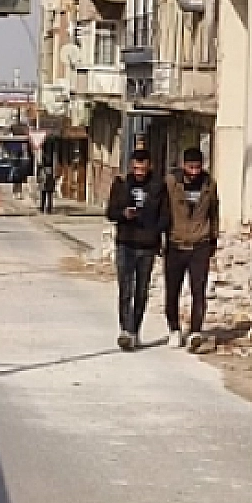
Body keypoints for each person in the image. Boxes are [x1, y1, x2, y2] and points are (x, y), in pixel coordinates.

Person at [105, 149, 166, 351]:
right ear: (131, 166)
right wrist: (123, 213)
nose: (139, 172)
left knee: (141, 291)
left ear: (149, 166)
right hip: (126, 243)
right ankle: (125, 330)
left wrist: (157, 235)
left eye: (143, 168)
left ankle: (135, 330)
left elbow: (164, 216)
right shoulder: (121, 184)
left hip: (147, 245)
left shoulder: (158, 186)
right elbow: (110, 212)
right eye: (136, 168)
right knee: (125, 289)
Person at [163, 146, 220, 352]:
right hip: (175, 244)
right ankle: (174, 329)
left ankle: (195, 331)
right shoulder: (171, 183)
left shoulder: (209, 184)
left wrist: (213, 238)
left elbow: (214, 212)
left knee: (198, 290)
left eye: (198, 167)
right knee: (172, 291)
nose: (194, 172)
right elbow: (163, 209)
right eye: (190, 167)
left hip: (199, 245)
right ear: (183, 165)